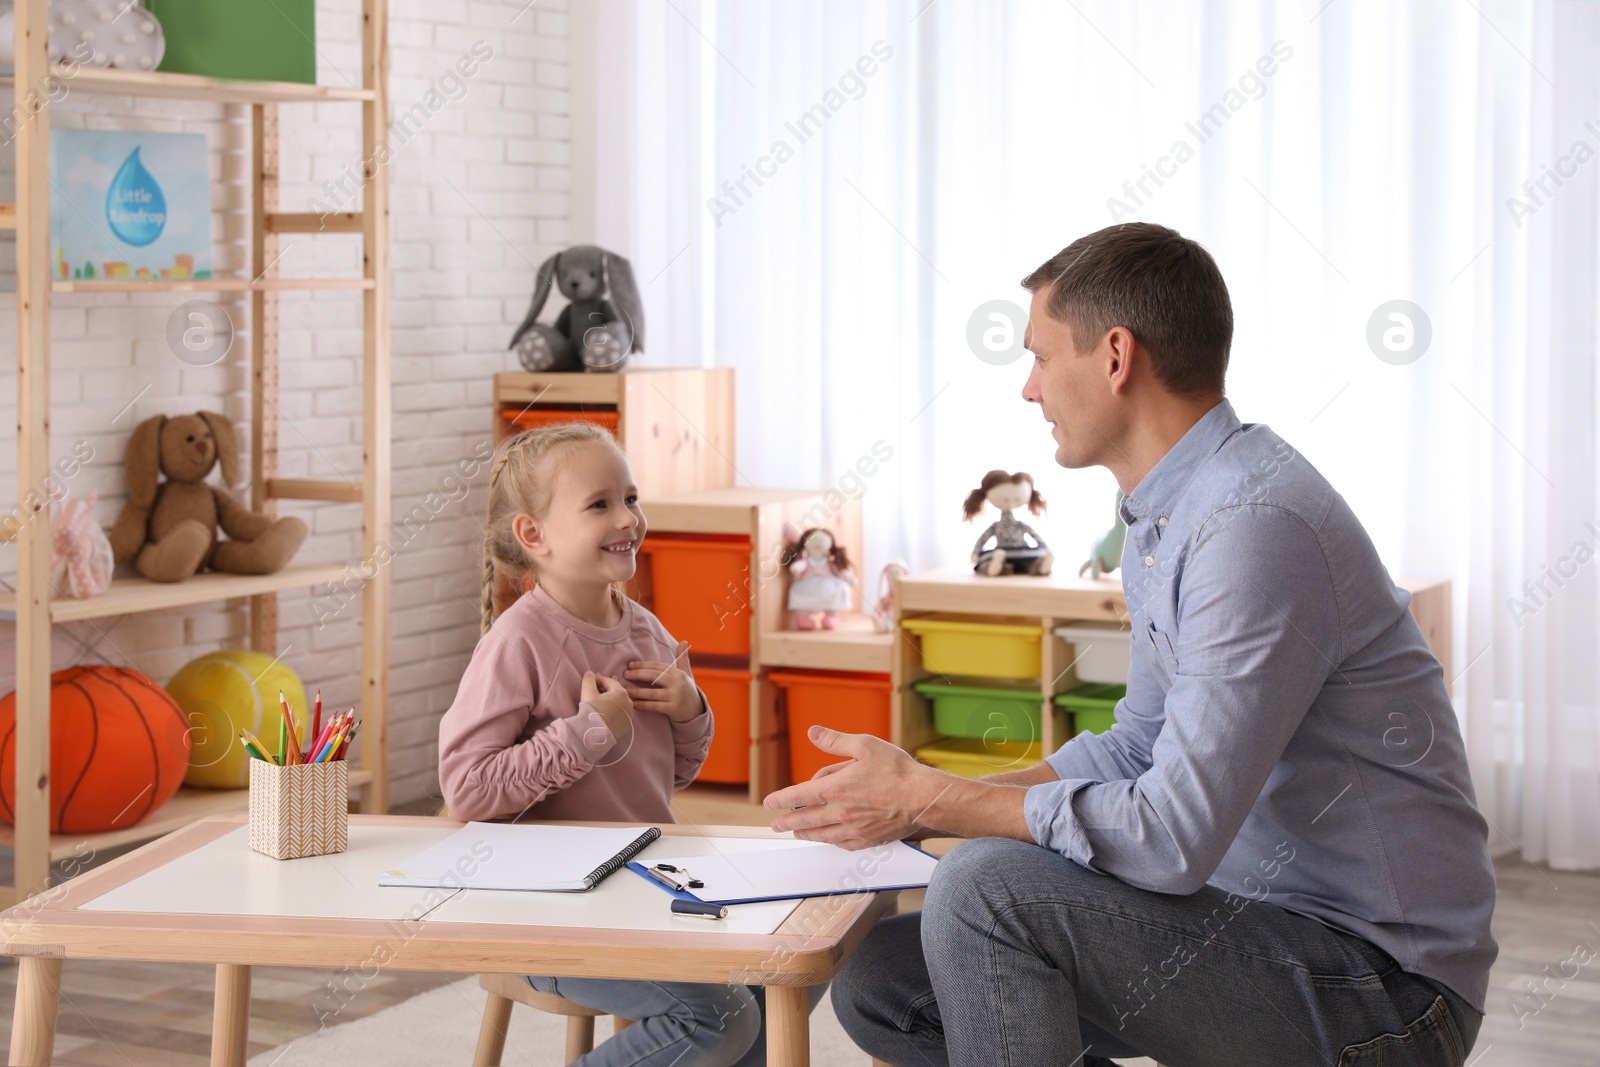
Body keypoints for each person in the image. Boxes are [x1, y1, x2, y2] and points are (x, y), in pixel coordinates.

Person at [763, 223, 1497, 1067]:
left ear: (1116, 357)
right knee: (887, 977)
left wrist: (933, 801)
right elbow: (1138, 745)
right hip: (1266, 929)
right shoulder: (1171, 509)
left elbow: (1171, 837)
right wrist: (918, 797)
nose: (1028, 389)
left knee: (984, 891)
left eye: (1039, 355)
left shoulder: (1253, 525)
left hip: (1385, 991)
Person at [438, 423, 819, 1067]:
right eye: (600, 504)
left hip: (646, 889)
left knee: (790, 966)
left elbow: (673, 776)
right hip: (548, 916)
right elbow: (469, 790)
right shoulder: (518, 641)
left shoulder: (645, 630)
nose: (628, 518)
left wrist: (689, 708)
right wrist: (587, 733)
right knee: (723, 1017)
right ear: (535, 535)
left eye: (631, 497)